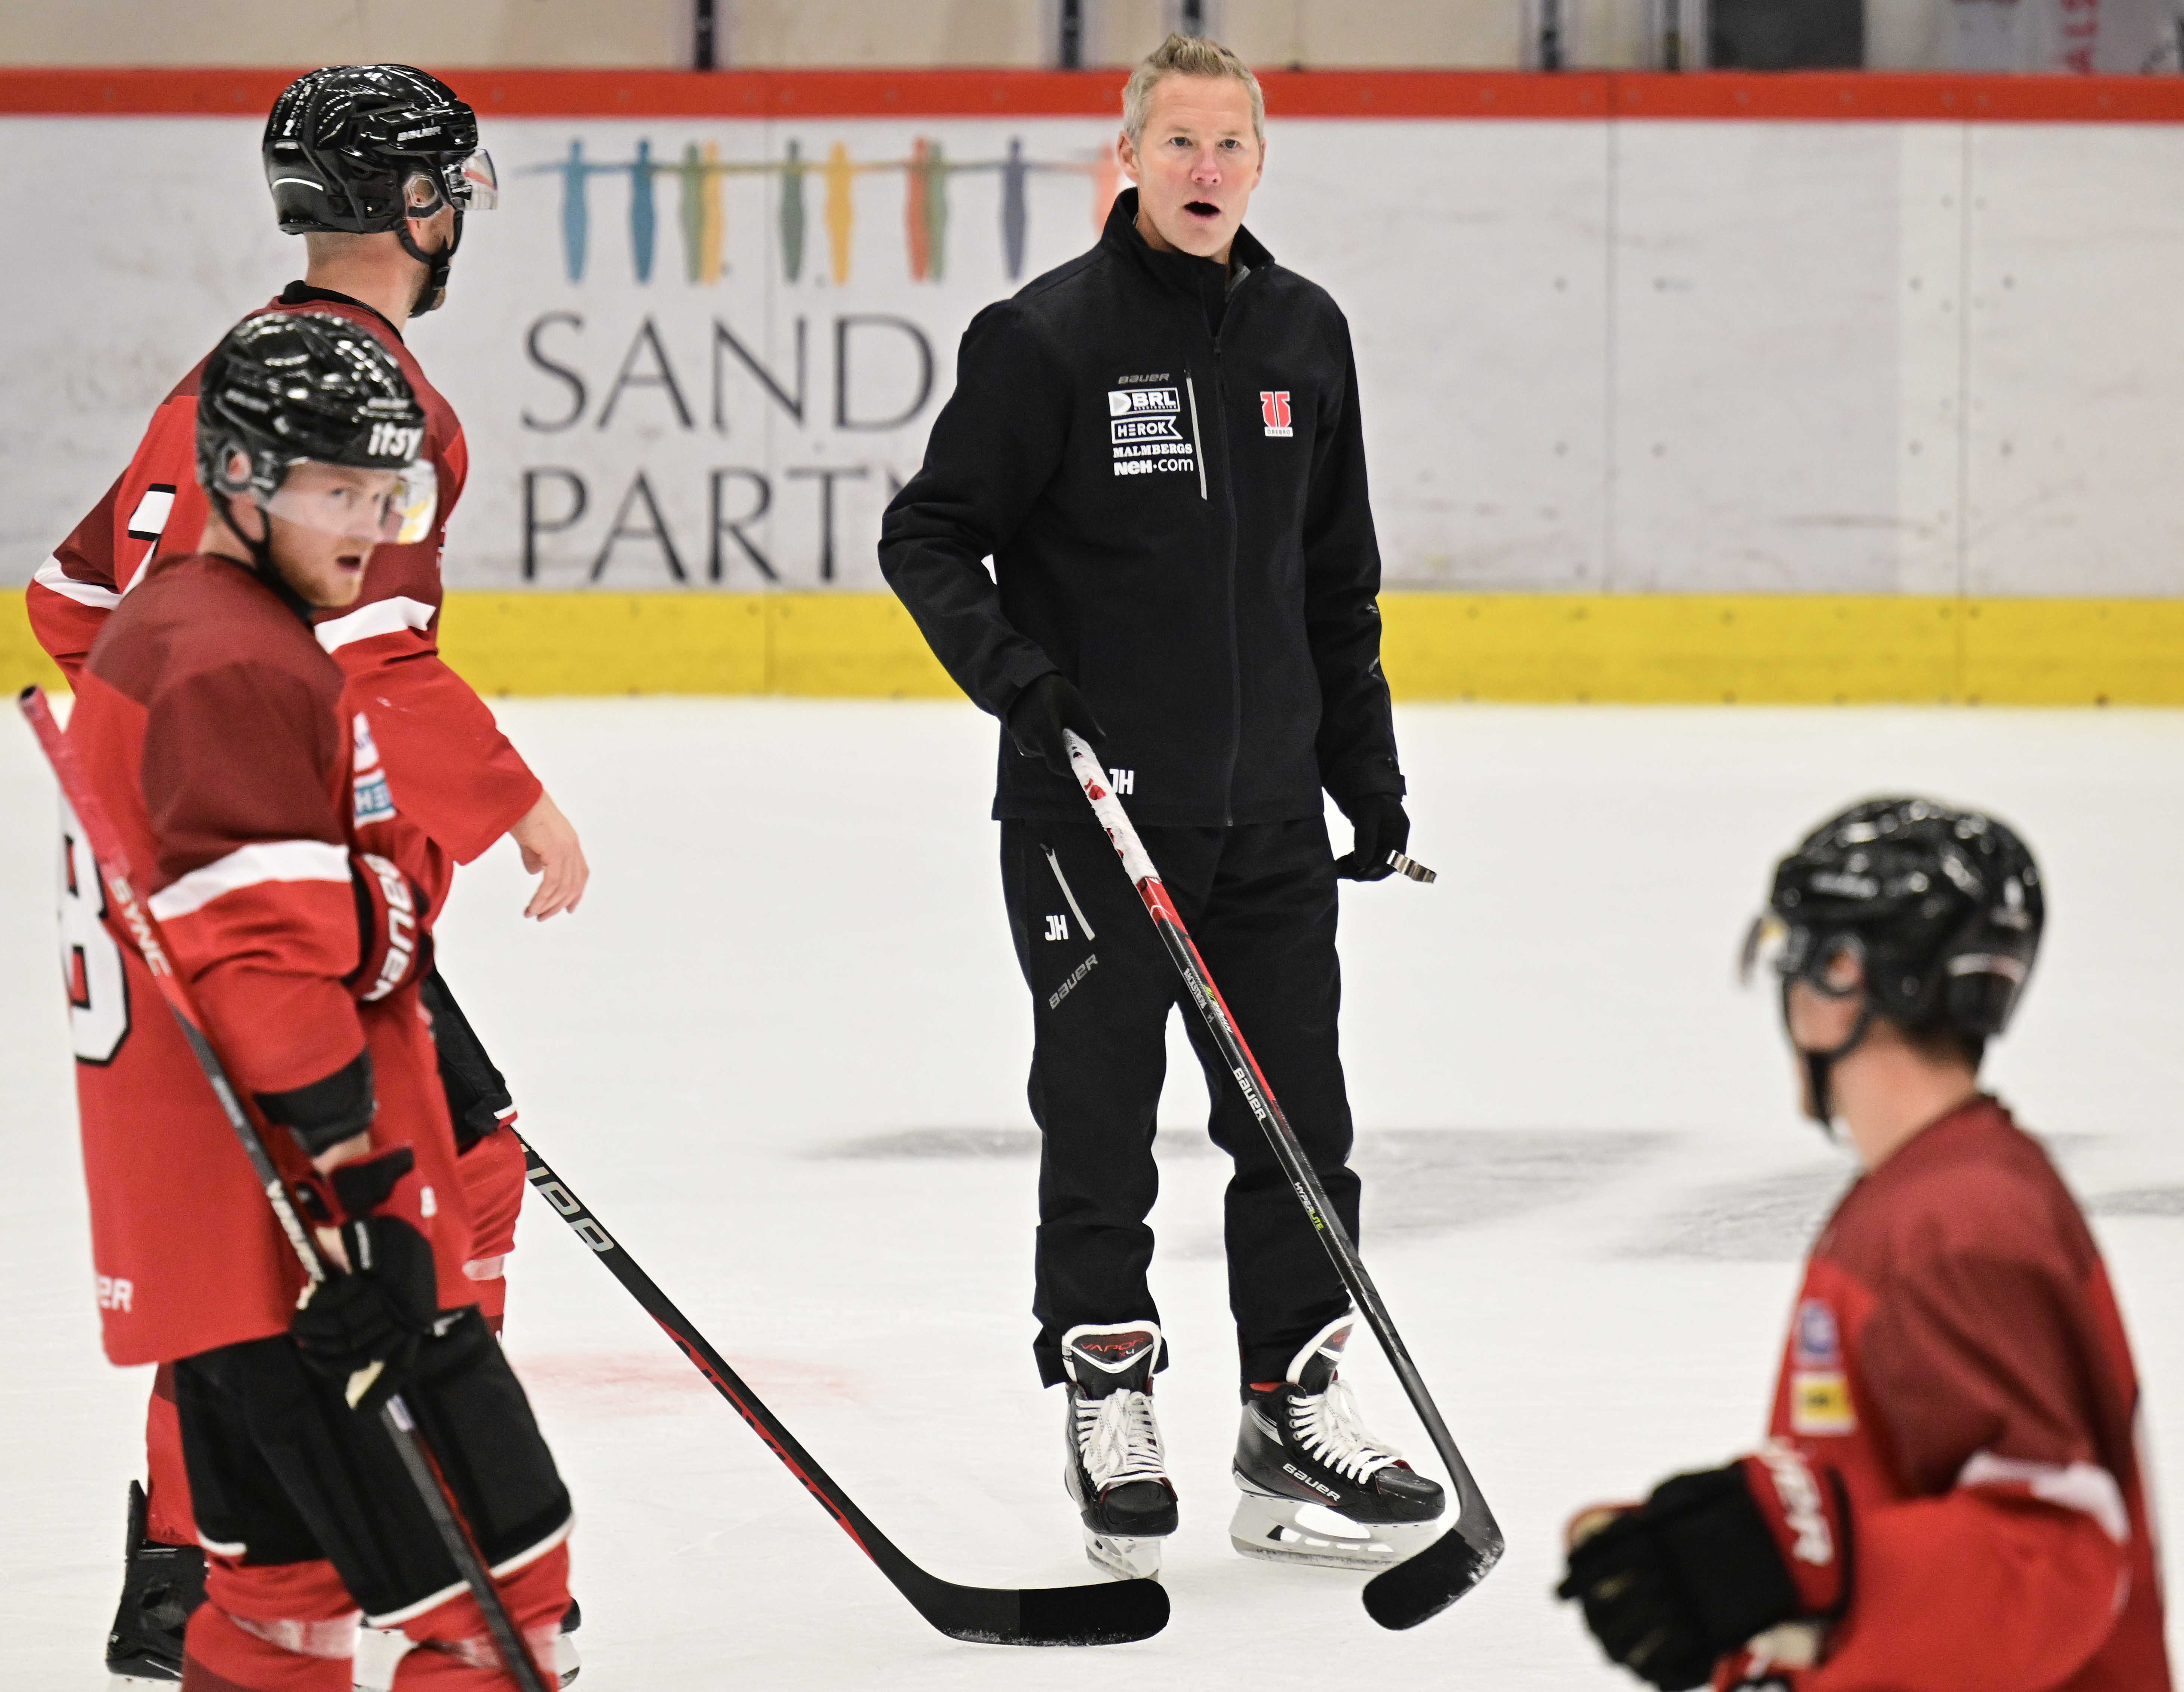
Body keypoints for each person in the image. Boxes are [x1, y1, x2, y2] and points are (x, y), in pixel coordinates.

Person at [27, 65, 588, 1681]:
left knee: (236, 1197)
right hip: (279, 884)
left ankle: (189, 1563)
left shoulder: (219, 383)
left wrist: (178, 764)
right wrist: (514, 805)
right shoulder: (377, 399)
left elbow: (77, 603)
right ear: (419, 202)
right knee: (399, 1190)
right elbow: (374, 653)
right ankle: (421, 1517)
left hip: (210, 877)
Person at [878, 33, 1437, 1580]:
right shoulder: (1043, 338)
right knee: (1101, 1114)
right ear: (1125, 157)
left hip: (1261, 819)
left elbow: (1335, 581)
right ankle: (1108, 1383)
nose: (1204, 171)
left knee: (1296, 1120)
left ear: (1260, 164)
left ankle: (1290, 1406)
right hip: (1091, 817)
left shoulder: (1302, 336)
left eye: (1230, 147)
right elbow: (928, 535)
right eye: (1176, 143)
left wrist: (1364, 773)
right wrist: (1022, 684)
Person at [1557, 799, 2170, 1692]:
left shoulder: (1954, 1223)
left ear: (1844, 975)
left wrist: (1810, 1568)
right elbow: (1882, 1505)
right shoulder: (1933, 1191)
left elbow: (2059, 1552)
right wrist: (1749, 1595)